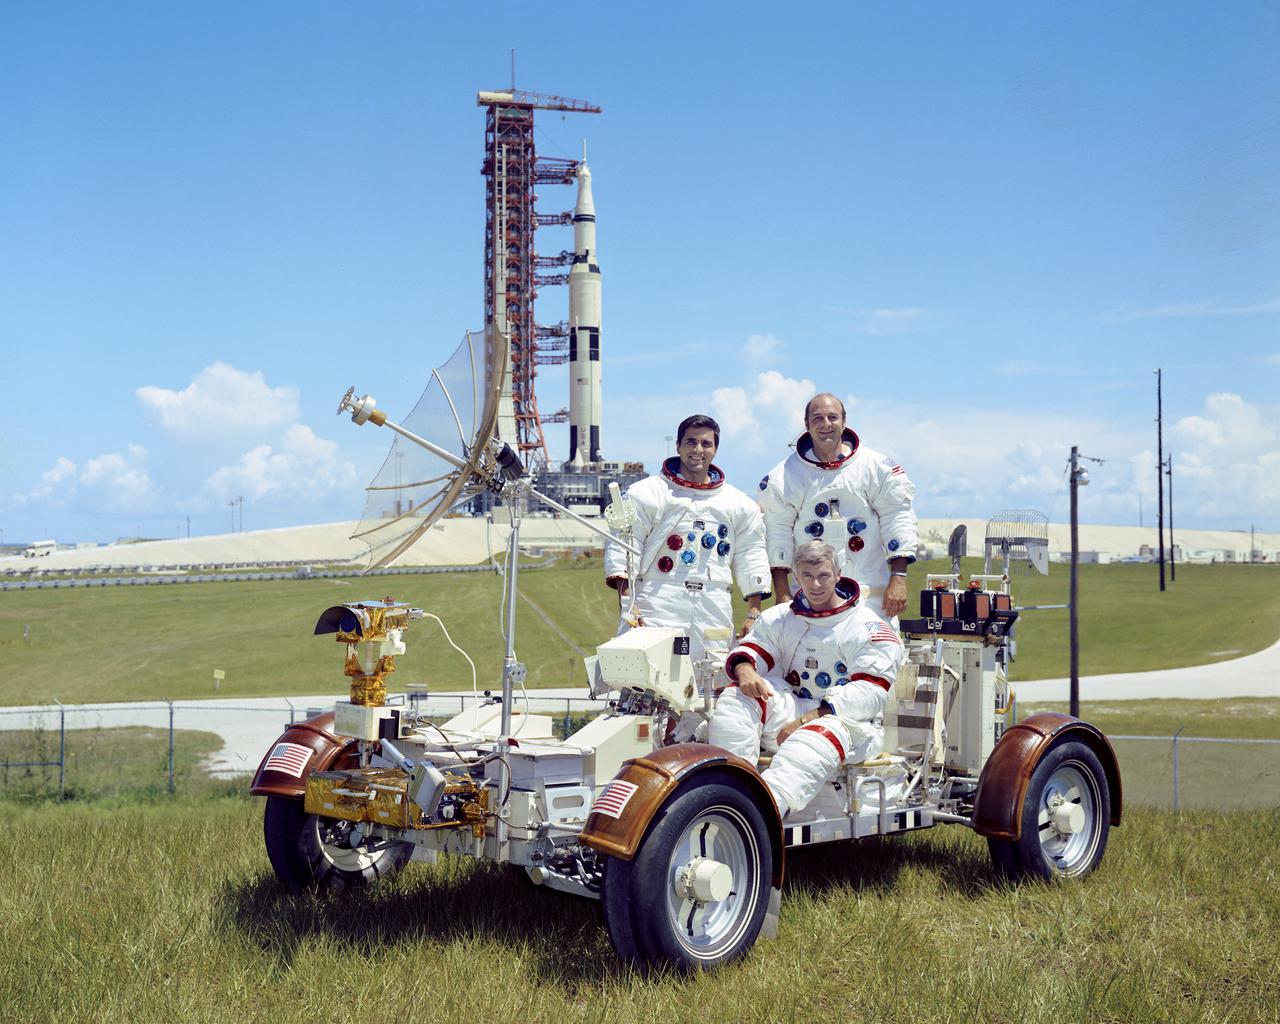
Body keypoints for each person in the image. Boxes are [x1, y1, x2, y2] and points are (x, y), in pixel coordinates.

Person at [707, 540, 904, 818]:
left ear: (838, 574)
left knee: (812, 738)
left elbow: (870, 692)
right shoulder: (780, 618)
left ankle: (763, 814)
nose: (816, 585)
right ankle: (726, 793)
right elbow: (754, 648)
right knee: (736, 697)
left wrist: (806, 719)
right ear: (796, 577)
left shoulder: (867, 626)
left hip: (848, 723)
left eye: (824, 575)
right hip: (796, 707)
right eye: (807, 577)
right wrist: (745, 670)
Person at [603, 414, 771, 659]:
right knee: (651, 677)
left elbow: (751, 554)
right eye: (691, 442)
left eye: (706, 444)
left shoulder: (738, 504)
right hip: (659, 599)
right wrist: (629, 604)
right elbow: (624, 545)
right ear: (679, 446)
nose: (698, 450)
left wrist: (753, 613)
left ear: (715, 449)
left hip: (713, 603)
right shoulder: (648, 493)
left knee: (713, 676)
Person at [757, 393, 917, 619]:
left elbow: (897, 518)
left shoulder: (875, 468)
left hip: (870, 596)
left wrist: (898, 578)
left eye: (832, 417)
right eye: (817, 418)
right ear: (807, 425)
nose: (826, 424)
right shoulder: (784, 476)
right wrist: (782, 592)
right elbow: (777, 532)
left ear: (844, 421)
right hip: (810, 597)